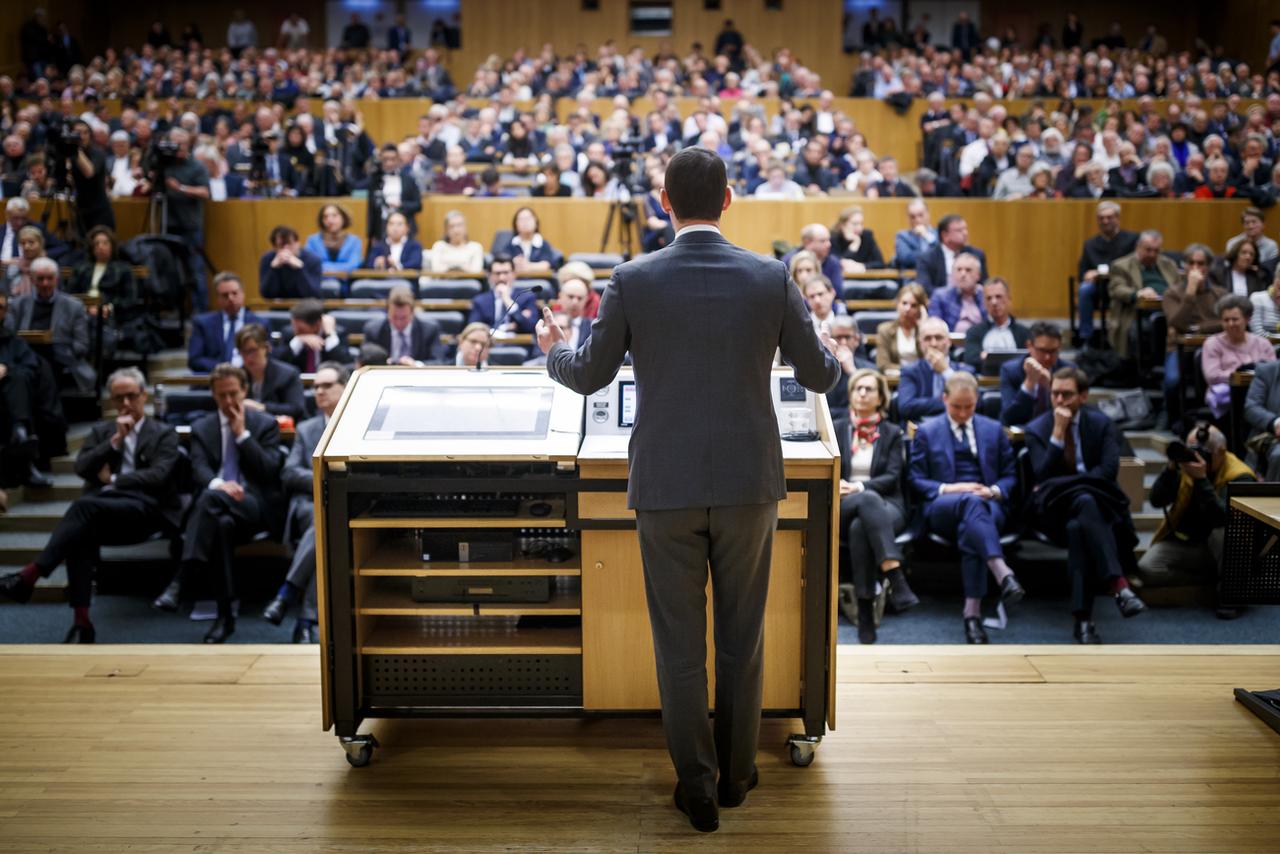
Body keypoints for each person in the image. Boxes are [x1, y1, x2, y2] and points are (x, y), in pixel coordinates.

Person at [538, 147, 840, 833]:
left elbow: (586, 376)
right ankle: (738, 776)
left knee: (679, 645)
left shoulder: (633, 278)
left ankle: (697, 788)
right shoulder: (770, 277)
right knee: (743, 637)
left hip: (666, 486)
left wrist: (551, 346)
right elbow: (822, 378)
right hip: (749, 484)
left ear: (663, 203)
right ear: (729, 199)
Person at [0, 368, 181, 642]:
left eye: (131, 396)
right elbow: (83, 467)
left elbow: (158, 476)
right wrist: (115, 442)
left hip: (147, 510)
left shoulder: (163, 433)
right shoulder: (103, 432)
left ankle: (30, 575)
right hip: (106, 511)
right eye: (118, 398)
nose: (126, 404)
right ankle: (82, 622)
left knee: (83, 508)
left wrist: (116, 479)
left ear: (144, 396)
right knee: (80, 532)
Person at [157, 364, 284, 643]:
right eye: (222, 395)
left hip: (255, 506)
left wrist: (242, 436)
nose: (228, 402)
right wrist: (220, 486)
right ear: (213, 395)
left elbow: (269, 471)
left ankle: (184, 576)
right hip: (217, 507)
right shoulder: (203, 427)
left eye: (233, 394)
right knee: (221, 525)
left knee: (210, 500)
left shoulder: (265, 424)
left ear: (245, 391)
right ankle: (225, 618)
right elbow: (198, 470)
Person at [1024, 368, 1147, 644]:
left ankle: (1083, 622)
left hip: (1095, 505)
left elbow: (1107, 472)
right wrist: (1057, 434)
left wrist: (1064, 483)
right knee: (1086, 501)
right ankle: (1119, 586)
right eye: (1055, 393)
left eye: (1066, 394)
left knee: (1080, 524)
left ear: (1083, 396)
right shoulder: (1037, 429)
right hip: (1052, 511)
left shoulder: (1102, 425)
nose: (1059, 400)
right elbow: (1042, 477)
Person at [910, 372, 1021, 644]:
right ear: (944, 399)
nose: (962, 413)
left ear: (977, 400)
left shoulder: (993, 429)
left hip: (986, 503)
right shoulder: (927, 431)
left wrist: (992, 490)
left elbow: (1010, 476)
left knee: (971, 526)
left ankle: (972, 615)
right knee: (971, 505)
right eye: (956, 406)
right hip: (942, 505)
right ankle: (1001, 571)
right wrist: (952, 488)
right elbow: (916, 479)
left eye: (968, 406)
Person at [262, 361, 349, 643]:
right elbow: (289, 472)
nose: (319, 392)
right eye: (315, 387)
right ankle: (307, 619)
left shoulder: (356, 427)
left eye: (326, 386)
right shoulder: (308, 428)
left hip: (345, 505)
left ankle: (290, 598)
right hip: (310, 503)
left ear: (345, 388)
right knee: (321, 519)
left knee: (325, 524)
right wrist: (324, 479)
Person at [835, 368, 913, 644]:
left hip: (887, 505)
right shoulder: (834, 428)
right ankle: (894, 574)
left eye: (870, 389)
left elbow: (892, 477)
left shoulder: (892, 433)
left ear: (881, 398)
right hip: (841, 503)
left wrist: (858, 486)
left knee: (861, 527)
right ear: (851, 394)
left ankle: (865, 610)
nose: (863, 393)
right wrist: (842, 487)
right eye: (858, 388)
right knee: (862, 508)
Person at [1137, 424, 1256, 593]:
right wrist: (1170, 469)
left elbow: (1222, 519)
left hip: (1223, 549)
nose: (1196, 456)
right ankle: (1209, 580)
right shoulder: (1185, 466)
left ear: (1221, 451)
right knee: (1147, 570)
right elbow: (1156, 501)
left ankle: (1231, 592)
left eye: (1203, 452)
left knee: (1224, 532)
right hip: (1187, 543)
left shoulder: (1240, 476)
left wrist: (1201, 480)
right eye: (1192, 450)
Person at [5, 258, 92, 393]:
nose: (45, 283)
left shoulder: (74, 306)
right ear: (32, 280)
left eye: (49, 278)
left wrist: (60, 348)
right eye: (40, 279)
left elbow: (82, 345)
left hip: (61, 361)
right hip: (25, 357)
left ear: (56, 280)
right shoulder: (18, 305)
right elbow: (8, 337)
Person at [1162, 245, 1225, 425]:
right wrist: (1190, 292)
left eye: (1201, 263)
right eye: (1191, 263)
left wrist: (1198, 328)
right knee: (1173, 381)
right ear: (1185, 266)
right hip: (1180, 347)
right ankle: (1173, 418)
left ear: (1209, 266)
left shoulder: (1220, 293)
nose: (1196, 268)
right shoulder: (1172, 293)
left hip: (1214, 347)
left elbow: (1225, 323)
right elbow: (1177, 323)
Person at [155, 128, 211, 310]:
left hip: (190, 227)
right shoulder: (164, 164)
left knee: (196, 272)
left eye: (183, 144)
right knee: (168, 274)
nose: (179, 148)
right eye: (175, 144)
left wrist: (180, 188)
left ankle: (200, 313)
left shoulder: (197, 166)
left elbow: (205, 192)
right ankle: (171, 313)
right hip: (167, 226)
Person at [0, 290, 49, 488]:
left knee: (20, 379)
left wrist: (7, 369)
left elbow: (31, 368)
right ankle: (22, 437)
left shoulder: (14, 341)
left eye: (0, 308)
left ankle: (20, 431)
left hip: (7, 400)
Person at [1107, 230, 1179, 359]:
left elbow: (1179, 286)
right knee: (1142, 331)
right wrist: (1137, 294)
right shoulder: (1121, 265)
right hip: (1136, 314)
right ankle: (1142, 369)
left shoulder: (1168, 264)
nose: (1152, 254)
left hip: (1170, 312)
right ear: (1138, 247)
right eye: (1148, 250)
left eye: (1156, 251)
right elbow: (1116, 288)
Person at [1202, 295, 1277, 417]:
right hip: (1227, 399)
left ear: (1247, 319)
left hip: (1260, 396)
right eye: (1226, 320)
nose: (1231, 324)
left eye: (1235, 319)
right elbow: (1212, 376)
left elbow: (1273, 374)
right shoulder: (1212, 343)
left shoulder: (1262, 343)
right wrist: (1240, 374)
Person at [1075, 201, 1139, 345]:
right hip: (1100, 290)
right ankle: (1086, 338)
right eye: (1101, 218)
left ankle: (1128, 337)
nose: (1105, 221)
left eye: (1109, 217)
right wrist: (1087, 275)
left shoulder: (1132, 240)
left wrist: (1103, 272)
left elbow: (1134, 267)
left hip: (1123, 287)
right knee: (1084, 289)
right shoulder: (1090, 244)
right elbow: (1082, 273)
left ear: (1117, 218)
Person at [898, 317, 974, 423]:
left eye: (938, 338)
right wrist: (951, 403)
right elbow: (906, 407)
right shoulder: (910, 371)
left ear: (949, 342)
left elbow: (976, 403)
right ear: (920, 344)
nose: (933, 344)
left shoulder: (966, 371)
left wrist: (946, 371)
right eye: (927, 338)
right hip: (922, 428)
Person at [189, 272, 264, 372]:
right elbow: (195, 359)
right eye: (225, 295)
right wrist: (225, 369)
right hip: (214, 378)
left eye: (234, 293)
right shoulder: (203, 323)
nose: (230, 298)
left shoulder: (259, 323)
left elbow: (267, 355)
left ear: (243, 294)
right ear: (218, 298)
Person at [1000, 322, 1070, 427]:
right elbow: (1008, 418)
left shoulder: (1068, 370)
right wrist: (1029, 383)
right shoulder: (1010, 370)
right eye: (1042, 350)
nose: (1047, 357)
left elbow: (1073, 412)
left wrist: (1050, 387)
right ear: (1029, 346)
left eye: (1053, 351)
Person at [234, 324, 307, 422]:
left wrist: (262, 407)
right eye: (243, 352)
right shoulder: (238, 376)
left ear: (266, 348)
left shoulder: (288, 374)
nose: (248, 357)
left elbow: (297, 408)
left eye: (252, 350)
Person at [362, 284, 444, 366]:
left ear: (412, 313)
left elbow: (438, 362)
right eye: (394, 317)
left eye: (403, 318)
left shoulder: (430, 330)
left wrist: (416, 365)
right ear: (387, 312)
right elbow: (364, 361)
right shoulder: (373, 330)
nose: (398, 322)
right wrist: (383, 364)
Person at [962, 278, 1030, 369]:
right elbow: (970, 359)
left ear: (1009, 299)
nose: (994, 302)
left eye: (998, 297)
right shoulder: (973, 332)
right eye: (989, 298)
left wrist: (987, 357)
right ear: (984, 303)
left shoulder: (1024, 333)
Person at [274, 298, 353, 373]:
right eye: (293, 326)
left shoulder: (338, 333)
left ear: (317, 325)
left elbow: (346, 363)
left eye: (301, 329)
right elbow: (278, 363)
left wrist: (330, 335)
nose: (295, 331)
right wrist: (298, 340)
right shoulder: (289, 333)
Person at [915, 215, 987, 294]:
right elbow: (924, 288)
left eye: (965, 229)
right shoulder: (927, 258)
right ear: (945, 235)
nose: (965, 233)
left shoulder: (976, 254)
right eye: (959, 230)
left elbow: (984, 284)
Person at [67, 119, 114, 231]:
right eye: (78, 133)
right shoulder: (71, 154)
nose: (82, 136)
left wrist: (74, 147)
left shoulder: (98, 153)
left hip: (99, 210)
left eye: (86, 132)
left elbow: (89, 172)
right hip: (80, 208)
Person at [874, 283, 928, 373]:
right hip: (895, 382)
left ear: (921, 309)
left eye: (913, 305)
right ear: (897, 304)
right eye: (904, 303)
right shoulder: (885, 330)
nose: (907, 309)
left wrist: (923, 329)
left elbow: (930, 362)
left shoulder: (927, 332)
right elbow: (883, 365)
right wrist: (911, 371)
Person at [260, 226, 324, 299]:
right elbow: (265, 294)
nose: (286, 249)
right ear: (274, 248)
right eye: (281, 246)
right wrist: (273, 269)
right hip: (278, 307)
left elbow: (314, 294)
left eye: (289, 244)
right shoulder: (268, 259)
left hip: (306, 307)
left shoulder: (313, 260)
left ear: (298, 243)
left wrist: (300, 269)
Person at [929, 252, 987, 333]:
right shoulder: (940, 296)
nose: (963, 274)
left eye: (968, 270)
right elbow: (934, 329)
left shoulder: (986, 295)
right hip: (951, 344)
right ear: (952, 274)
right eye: (959, 270)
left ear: (978, 275)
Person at [782, 224, 843, 298]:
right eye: (823, 241)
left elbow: (838, 294)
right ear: (807, 243)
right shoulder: (788, 261)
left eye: (828, 240)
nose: (829, 244)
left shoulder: (833, 262)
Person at [305, 203, 364, 277]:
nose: (329, 220)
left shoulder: (354, 241)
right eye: (325, 217)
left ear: (343, 218)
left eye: (334, 215)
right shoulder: (312, 241)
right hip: (320, 283)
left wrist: (325, 267)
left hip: (345, 284)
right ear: (322, 221)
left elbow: (354, 264)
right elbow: (309, 264)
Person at [1244, 359, 1280, 480]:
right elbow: (1251, 408)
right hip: (1273, 438)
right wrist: (1275, 423)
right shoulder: (1267, 371)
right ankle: (1272, 497)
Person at [505, 207, 563, 274]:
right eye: (521, 219)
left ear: (536, 222)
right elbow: (503, 263)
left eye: (528, 219)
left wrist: (526, 266)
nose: (525, 222)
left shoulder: (543, 244)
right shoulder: (511, 244)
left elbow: (546, 265)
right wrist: (513, 262)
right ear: (515, 224)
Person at [831, 206, 885, 274]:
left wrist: (862, 266)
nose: (859, 228)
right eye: (855, 224)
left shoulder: (867, 236)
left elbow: (880, 264)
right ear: (843, 225)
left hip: (865, 279)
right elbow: (838, 264)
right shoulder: (834, 238)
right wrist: (853, 247)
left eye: (861, 224)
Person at [892, 199, 937, 270]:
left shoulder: (938, 234)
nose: (917, 220)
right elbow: (906, 259)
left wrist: (927, 236)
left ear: (928, 214)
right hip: (913, 278)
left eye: (920, 215)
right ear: (908, 218)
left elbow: (943, 254)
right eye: (912, 217)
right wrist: (933, 256)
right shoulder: (902, 236)